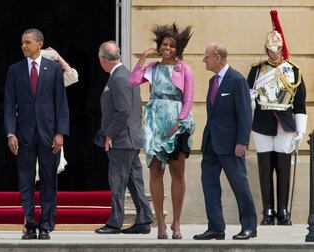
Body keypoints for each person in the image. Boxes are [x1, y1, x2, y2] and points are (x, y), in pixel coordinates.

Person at [129, 23, 195, 239]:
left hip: (177, 123)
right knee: (155, 172)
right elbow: (133, 80)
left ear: (178, 48)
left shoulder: (184, 69)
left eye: (171, 45)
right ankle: (161, 223)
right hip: (154, 122)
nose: (167, 48)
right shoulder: (153, 68)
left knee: (178, 172)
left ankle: (176, 223)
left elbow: (188, 99)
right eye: (164, 44)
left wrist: (180, 121)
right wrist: (144, 57)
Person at [4, 28, 69, 240]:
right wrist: (10, 133)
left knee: (50, 181)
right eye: (22, 42)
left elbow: (61, 103)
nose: (24, 46)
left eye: (28, 42)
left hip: (49, 135)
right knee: (25, 180)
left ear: (39, 44)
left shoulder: (53, 69)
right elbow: (8, 105)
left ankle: (46, 226)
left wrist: (60, 133)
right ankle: (30, 224)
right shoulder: (15, 70)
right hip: (24, 135)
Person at [247, 10, 307, 226]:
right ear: (266, 49)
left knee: (283, 165)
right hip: (262, 121)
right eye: (270, 49)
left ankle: (283, 210)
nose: (274, 53)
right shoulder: (256, 71)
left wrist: (300, 130)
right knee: (265, 165)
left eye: (278, 49)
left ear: (282, 49)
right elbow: (248, 100)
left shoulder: (293, 70)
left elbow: (299, 103)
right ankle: (268, 210)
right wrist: (251, 98)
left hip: (285, 123)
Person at [193, 43, 257, 240]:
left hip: (231, 145)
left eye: (207, 57)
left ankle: (249, 226)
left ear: (218, 57)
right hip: (211, 143)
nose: (204, 60)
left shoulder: (236, 80)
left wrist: (242, 142)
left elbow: (245, 114)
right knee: (209, 186)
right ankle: (216, 227)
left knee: (240, 185)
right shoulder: (213, 81)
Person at [94, 41, 153, 235]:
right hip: (131, 138)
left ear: (103, 59)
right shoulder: (126, 74)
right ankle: (144, 218)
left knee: (117, 180)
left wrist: (109, 134)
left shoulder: (118, 78)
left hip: (121, 139)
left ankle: (114, 222)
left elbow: (123, 110)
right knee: (134, 181)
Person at [34, 47, 79, 180]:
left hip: (50, 127)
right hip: (32, 127)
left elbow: (73, 76)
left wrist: (58, 57)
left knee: (49, 168)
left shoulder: (55, 79)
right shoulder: (28, 75)